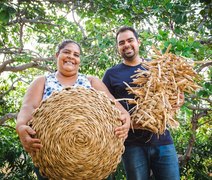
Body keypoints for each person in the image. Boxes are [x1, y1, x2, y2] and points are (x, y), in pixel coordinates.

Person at [16, 39, 130, 179]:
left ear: (79, 60)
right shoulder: (42, 81)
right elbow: (29, 106)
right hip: (51, 160)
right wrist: (21, 126)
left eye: (76, 54)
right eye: (67, 52)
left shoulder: (91, 81)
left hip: (92, 163)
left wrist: (126, 116)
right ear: (57, 55)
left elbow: (114, 104)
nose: (71, 57)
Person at [103, 26, 184, 180]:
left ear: (138, 42)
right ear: (118, 48)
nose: (126, 44)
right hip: (132, 145)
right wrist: (131, 123)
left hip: (162, 140)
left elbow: (173, 95)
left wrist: (177, 101)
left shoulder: (156, 66)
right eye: (121, 43)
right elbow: (104, 107)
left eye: (130, 40)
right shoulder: (111, 74)